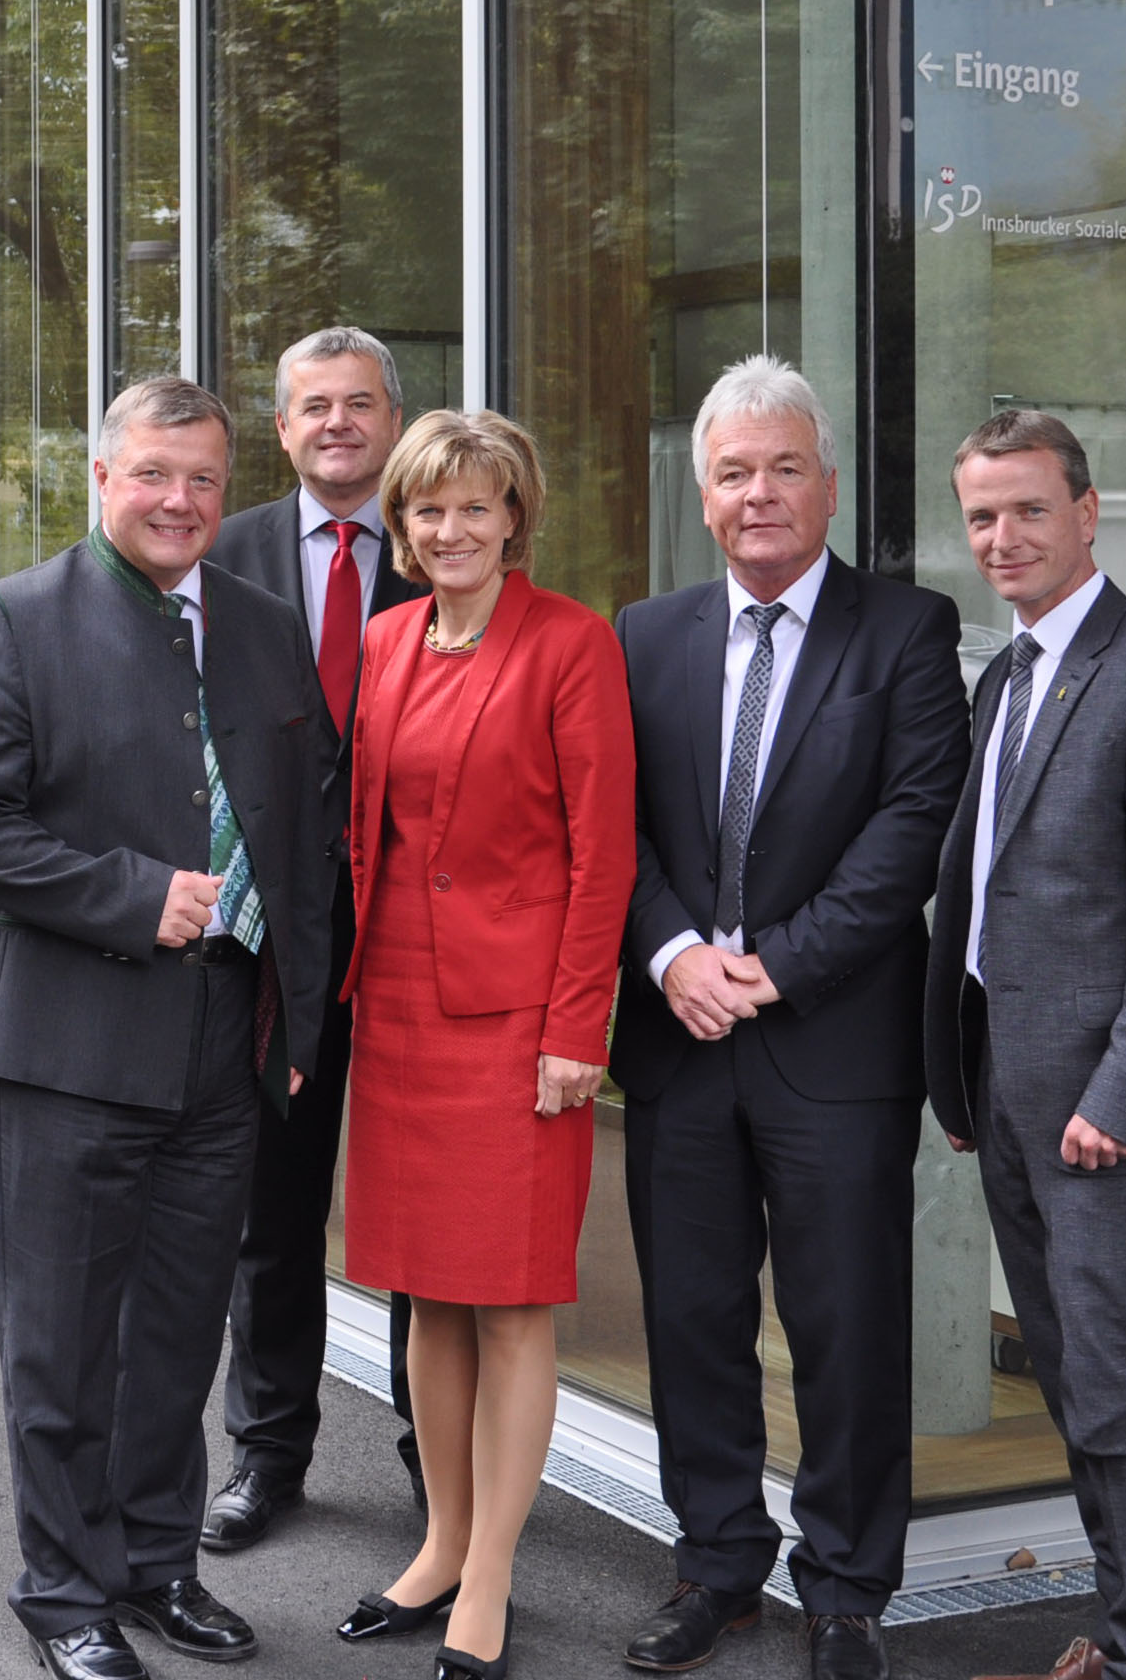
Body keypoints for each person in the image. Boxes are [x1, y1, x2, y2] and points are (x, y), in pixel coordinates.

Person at [0, 375, 342, 1680]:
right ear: (102, 478)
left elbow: (307, 810)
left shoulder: (267, 626)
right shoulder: (17, 620)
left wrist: (298, 1005)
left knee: (172, 1325)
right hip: (66, 1043)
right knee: (60, 1334)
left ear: (228, 486)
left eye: (203, 478)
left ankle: (157, 1566)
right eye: (152, 474)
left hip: (224, 1031)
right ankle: (61, 1591)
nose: (178, 500)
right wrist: (131, 896)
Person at [610, 356, 970, 1680]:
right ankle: (716, 1565)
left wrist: (777, 964)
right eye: (729, 472)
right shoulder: (641, 637)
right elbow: (616, 829)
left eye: (779, 468)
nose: (756, 493)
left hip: (833, 1042)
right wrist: (667, 956)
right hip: (679, 1039)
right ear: (701, 496)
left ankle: (843, 1587)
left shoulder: (907, 631)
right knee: (692, 1320)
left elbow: (911, 827)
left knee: (845, 1326)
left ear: (823, 483)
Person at [926, 412, 1126, 1680]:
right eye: (982, 517)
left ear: (1087, 511)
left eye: (1027, 510)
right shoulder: (1006, 674)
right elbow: (990, 890)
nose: (1003, 537)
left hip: (1110, 1108)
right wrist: (965, 1075)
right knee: (1072, 1380)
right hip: (1011, 1093)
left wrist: (1116, 1092)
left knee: (1111, 1384)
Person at [332, 409, 633, 1679]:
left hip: (516, 1024)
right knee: (424, 1296)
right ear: (398, 527)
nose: (447, 530)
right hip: (393, 1008)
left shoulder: (572, 644)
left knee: (509, 1305)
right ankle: (441, 1537)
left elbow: (599, 851)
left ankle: (495, 1567)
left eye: (473, 506)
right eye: (423, 509)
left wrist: (577, 1027)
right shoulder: (384, 638)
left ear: (516, 515)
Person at [200, 325, 423, 1549]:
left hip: (412, 948)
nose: (337, 422)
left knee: (413, 1220)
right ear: (281, 430)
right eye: (313, 406)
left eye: (360, 402)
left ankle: (430, 1466)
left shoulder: (447, 544)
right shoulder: (221, 557)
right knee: (268, 1214)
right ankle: (267, 1452)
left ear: (394, 420)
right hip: (271, 948)